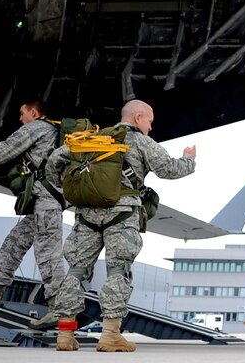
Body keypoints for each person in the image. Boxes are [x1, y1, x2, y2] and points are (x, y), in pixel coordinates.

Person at [45, 99, 196, 352]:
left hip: (87, 214)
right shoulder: (140, 141)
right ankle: (110, 335)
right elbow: (169, 169)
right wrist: (189, 159)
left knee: (76, 272)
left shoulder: (92, 137)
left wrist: (69, 187)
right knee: (118, 271)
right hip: (122, 214)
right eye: (149, 121)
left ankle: (65, 335)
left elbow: (54, 162)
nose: (150, 127)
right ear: (138, 118)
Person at [0, 99, 66, 328]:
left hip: (47, 204)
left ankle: (59, 308)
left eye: (22, 113)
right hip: (42, 203)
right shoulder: (54, 133)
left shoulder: (37, 127)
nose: (20, 119)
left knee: (48, 254)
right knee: (14, 242)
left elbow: (5, 149)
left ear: (34, 113)